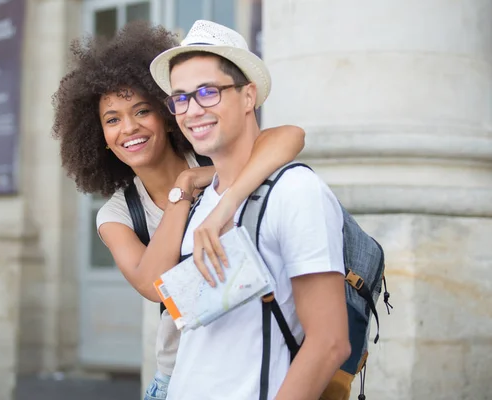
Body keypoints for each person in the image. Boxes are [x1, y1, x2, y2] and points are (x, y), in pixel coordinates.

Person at [51, 21, 306, 400]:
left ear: (166, 115)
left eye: (142, 111)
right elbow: (155, 285)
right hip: (178, 377)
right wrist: (183, 190)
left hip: (257, 360)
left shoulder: (210, 150)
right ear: (99, 137)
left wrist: (219, 186)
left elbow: (292, 136)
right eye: (112, 119)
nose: (129, 128)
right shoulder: (117, 215)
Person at [149, 20, 350, 400]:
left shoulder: (294, 191)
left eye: (208, 92)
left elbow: (330, 343)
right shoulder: (200, 200)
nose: (192, 110)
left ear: (247, 97)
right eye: (180, 98)